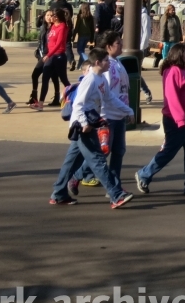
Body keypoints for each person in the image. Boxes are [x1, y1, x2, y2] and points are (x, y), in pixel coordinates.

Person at [49, 47, 135, 207]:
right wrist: (84, 124)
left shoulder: (101, 79)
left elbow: (110, 98)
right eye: (106, 61)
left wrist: (128, 110)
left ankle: (59, 193)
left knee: (72, 161)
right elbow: (78, 105)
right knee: (97, 159)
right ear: (97, 62)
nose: (109, 64)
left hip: (89, 123)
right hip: (82, 126)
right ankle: (116, 195)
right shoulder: (89, 80)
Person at [134, 43, 185, 197]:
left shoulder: (184, 71)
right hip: (177, 122)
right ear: (178, 55)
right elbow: (172, 98)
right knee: (168, 152)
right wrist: (180, 119)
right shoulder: (173, 72)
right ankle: (144, 174)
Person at [41, 8, 70, 107]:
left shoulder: (62, 27)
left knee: (63, 79)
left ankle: (73, 96)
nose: (51, 17)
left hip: (59, 56)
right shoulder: (53, 26)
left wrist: (48, 55)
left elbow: (58, 44)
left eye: (53, 16)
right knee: (45, 78)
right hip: (51, 55)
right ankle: (40, 103)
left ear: (57, 17)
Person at [28, 9, 54, 110]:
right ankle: (34, 96)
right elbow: (41, 41)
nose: (49, 17)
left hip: (50, 55)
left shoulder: (53, 28)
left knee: (51, 78)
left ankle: (43, 102)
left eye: (51, 15)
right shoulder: (43, 27)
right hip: (42, 55)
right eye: (47, 15)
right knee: (35, 75)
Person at [137, 0, 154, 103]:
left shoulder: (144, 16)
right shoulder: (133, 14)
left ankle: (146, 92)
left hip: (139, 47)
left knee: (136, 72)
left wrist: (142, 48)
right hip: (128, 46)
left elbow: (146, 33)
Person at [72, 2, 94, 67]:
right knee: (82, 50)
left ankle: (87, 60)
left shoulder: (80, 16)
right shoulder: (90, 17)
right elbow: (92, 28)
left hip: (82, 35)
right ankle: (80, 66)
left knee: (79, 50)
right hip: (88, 35)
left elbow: (77, 27)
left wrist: (74, 35)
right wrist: (92, 38)